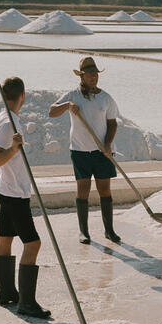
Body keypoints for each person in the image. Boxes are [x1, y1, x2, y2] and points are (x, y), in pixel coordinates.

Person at [0, 76, 51, 319]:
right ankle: (27, 303)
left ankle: (6, 293)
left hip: (7, 188)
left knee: (5, 238)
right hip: (14, 192)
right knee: (33, 244)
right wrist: (14, 150)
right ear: (22, 96)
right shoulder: (7, 123)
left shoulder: (5, 117)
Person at [49, 57, 121, 244]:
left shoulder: (106, 98)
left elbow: (113, 123)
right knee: (83, 190)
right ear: (82, 76)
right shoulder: (73, 95)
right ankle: (84, 232)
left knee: (104, 190)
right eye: (90, 74)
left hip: (102, 152)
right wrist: (67, 106)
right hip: (80, 151)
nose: (93, 77)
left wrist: (107, 144)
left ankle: (109, 230)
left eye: (95, 74)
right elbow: (52, 111)